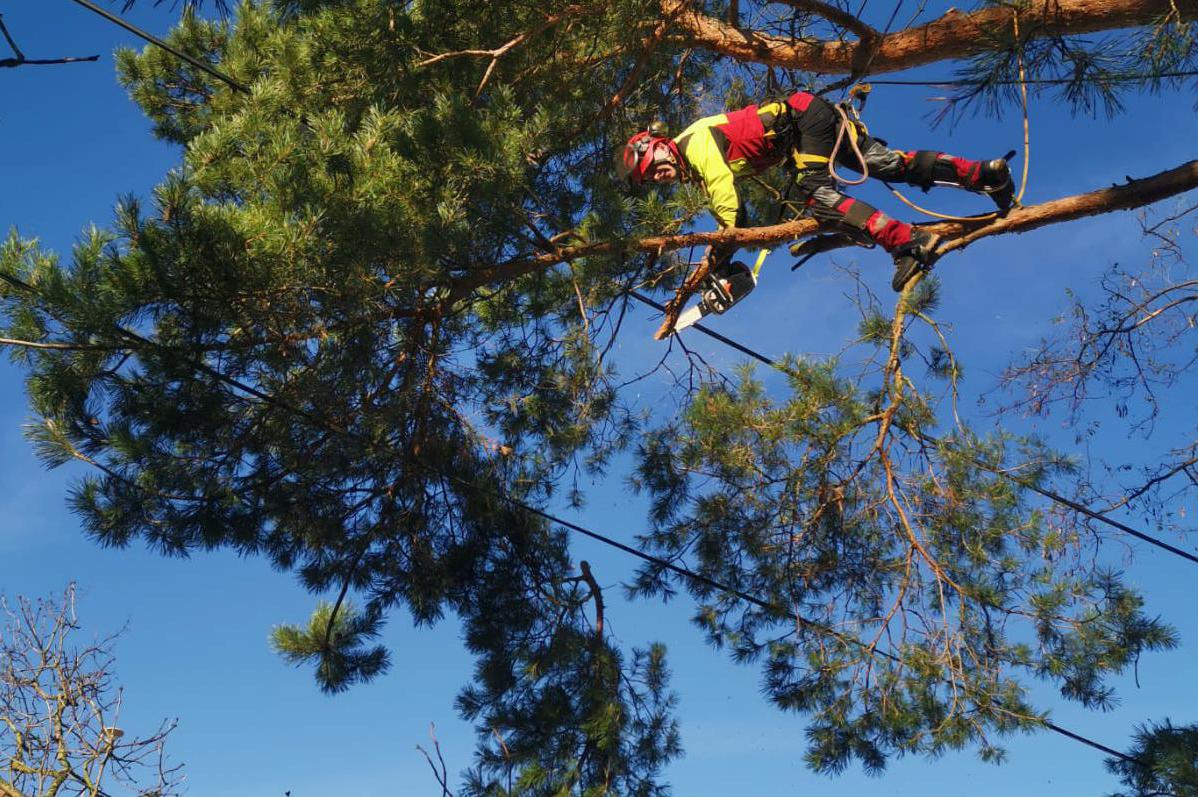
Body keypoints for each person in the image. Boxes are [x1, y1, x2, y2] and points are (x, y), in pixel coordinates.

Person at [617, 91, 1014, 292]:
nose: (656, 178)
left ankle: (908, 242)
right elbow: (729, 206)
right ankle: (986, 174)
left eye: (651, 169)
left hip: (806, 118)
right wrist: (723, 250)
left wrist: (723, 246)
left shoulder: (693, 143)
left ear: (656, 147)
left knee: (816, 191)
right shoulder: (690, 159)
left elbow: (727, 201)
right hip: (812, 120)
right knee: (886, 164)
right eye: (649, 181)